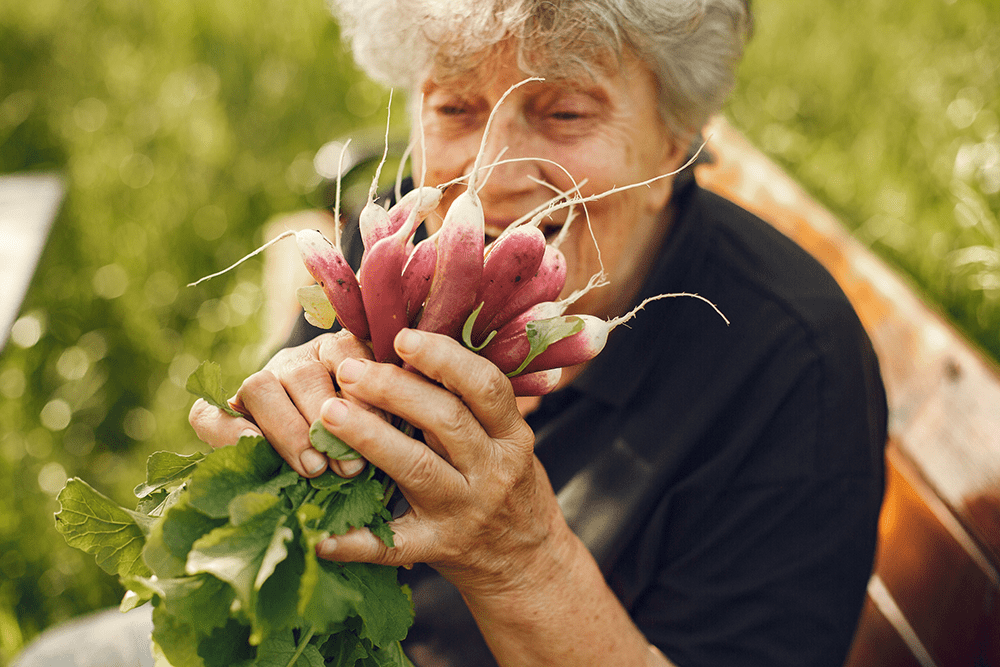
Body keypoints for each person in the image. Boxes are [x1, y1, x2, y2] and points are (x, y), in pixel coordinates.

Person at [16, 1, 886, 666]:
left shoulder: (794, 370)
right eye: (456, 109)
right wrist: (290, 424)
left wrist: (520, 557)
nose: (490, 176)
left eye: (565, 113)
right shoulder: (413, 230)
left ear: (675, 144)